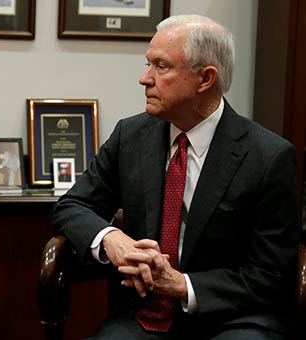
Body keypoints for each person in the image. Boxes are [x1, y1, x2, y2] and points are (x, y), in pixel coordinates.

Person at [51, 15, 300, 340]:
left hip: (233, 319)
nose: (144, 79)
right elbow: (71, 205)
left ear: (205, 79)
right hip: (143, 316)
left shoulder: (268, 157)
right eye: (147, 64)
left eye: (161, 67)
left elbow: (271, 275)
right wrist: (112, 239)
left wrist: (183, 286)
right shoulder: (131, 136)